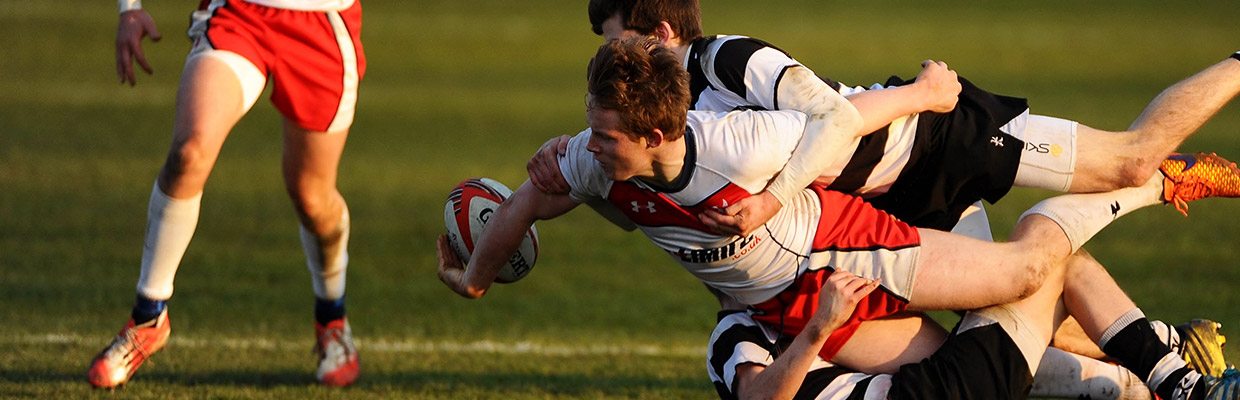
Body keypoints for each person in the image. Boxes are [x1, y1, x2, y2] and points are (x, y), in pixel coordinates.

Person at [438, 38, 1233, 400]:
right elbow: (521, 207)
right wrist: (475, 280)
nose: (587, 143)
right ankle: (1158, 368)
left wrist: (925, 96)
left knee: (1047, 254)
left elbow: (840, 119)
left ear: (651, 130)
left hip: (889, 195)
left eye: (602, 132)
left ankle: (1159, 186)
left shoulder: (736, 127)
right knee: (1002, 339)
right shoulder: (598, 157)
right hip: (799, 289)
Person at [89, 0, 363, 388]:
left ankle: (332, 318)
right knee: (189, 152)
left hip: (322, 25)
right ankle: (148, 316)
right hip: (240, 14)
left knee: (312, 197)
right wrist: (129, 8)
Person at [707, 266, 1240, 399]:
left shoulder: (796, 299)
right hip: (930, 395)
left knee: (1007, 299)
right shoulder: (736, 332)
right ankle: (1178, 372)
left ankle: (1151, 372)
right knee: (1054, 256)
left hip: (936, 382)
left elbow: (929, 344)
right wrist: (820, 327)